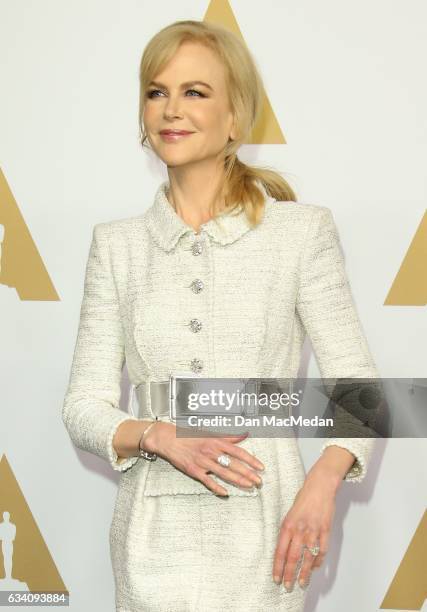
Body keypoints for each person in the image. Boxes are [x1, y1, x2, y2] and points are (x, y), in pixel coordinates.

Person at [62, 19, 379, 612]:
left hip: (269, 526)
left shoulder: (300, 232)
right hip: (151, 533)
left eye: (195, 92)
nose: (170, 110)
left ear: (236, 118)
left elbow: (359, 390)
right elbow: (83, 406)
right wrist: (155, 435)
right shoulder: (117, 245)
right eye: (156, 92)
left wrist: (321, 485)